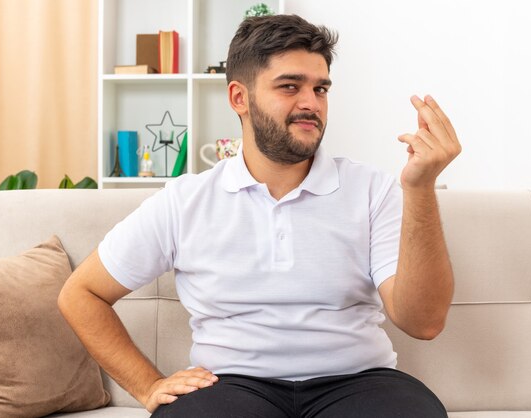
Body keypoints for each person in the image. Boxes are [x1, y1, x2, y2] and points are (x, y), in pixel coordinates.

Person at [59, 14, 461, 418]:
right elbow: (81, 294)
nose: (311, 103)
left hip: (358, 380)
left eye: (320, 89)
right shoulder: (185, 200)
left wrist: (420, 188)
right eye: (290, 86)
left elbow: (423, 322)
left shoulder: (373, 189)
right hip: (229, 385)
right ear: (239, 97)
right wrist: (147, 385)